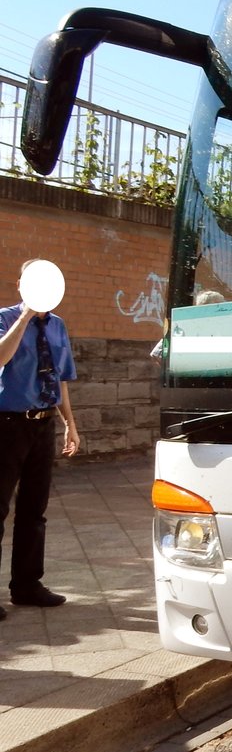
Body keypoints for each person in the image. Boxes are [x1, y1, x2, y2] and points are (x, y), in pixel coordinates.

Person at [0, 260, 82, 619]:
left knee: (34, 510)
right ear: (20, 284)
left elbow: (61, 377)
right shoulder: (5, 318)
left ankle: (27, 586)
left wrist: (70, 423)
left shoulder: (59, 326)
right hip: (8, 424)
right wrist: (26, 316)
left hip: (44, 423)